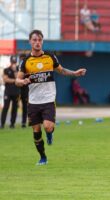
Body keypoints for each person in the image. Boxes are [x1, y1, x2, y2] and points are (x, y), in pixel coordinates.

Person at [15, 29, 87, 165]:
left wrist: (75, 73)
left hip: (48, 99)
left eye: (40, 40)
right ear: (30, 42)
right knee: (36, 131)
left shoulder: (50, 57)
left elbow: (62, 70)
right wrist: (22, 82)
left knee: (47, 127)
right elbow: (17, 80)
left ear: (42, 41)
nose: (37, 42)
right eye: (34, 40)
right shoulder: (25, 62)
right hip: (33, 101)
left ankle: (49, 134)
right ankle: (43, 157)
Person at [0, 55, 20, 129]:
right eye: (12, 62)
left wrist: (15, 71)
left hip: (16, 92)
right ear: (10, 62)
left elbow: (18, 78)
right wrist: (14, 81)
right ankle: (2, 124)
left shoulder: (18, 69)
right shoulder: (6, 69)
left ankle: (12, 124)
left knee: (14, 108)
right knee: (5, 107)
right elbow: (5, 79)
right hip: (8, 92)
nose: (13, 64)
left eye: (14, 62)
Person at [17, 54, 29, 128]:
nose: (22, 60)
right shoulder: (17, 67)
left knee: (25, 107)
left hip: (25, 89)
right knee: (15, 106)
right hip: (17, 89)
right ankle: (12, 123)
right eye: (21, 58)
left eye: (23, 59)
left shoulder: (27, 68)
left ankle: (24, 122)